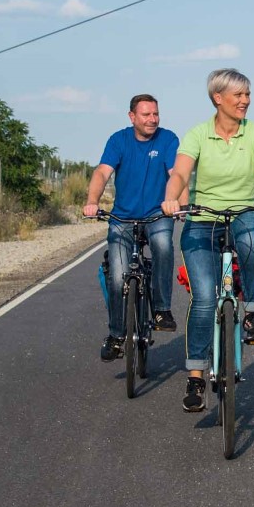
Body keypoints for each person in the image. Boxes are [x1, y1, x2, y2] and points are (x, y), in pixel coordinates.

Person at [160, 68, 254, 413]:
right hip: (203, 220)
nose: (245, 101)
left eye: (248, 94)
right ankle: (195, 377)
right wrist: (172, 198)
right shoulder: (198, 135)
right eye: (238, 95)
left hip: (244, 212)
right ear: (218, 98)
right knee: (204, 298)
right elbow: (180, 173)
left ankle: (251, 314)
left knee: (252, 237)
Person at [86, 94, 179, 361]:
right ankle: (116, 335)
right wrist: (92, 202)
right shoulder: (119, 140)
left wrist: (179, 204)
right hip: (122, 219)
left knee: (162, 245)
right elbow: (103, 172)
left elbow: (176, 175)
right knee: (117, 277)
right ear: (132, 117)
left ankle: (161, 310)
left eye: (156, 114)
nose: (153, 119)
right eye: (146, 114)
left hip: (157, 214)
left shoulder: (168, 139)